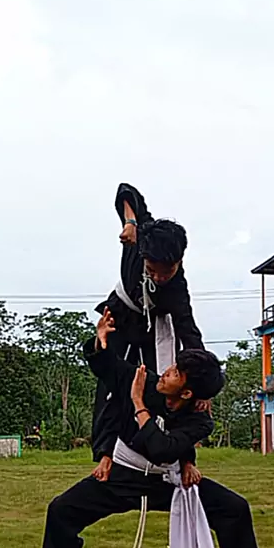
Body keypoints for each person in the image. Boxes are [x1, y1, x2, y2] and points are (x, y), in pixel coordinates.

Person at [38, 309, 274, 548]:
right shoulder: (145, 380)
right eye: (174, 366)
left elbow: (164, 449)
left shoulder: (200, 420)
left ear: (188, 393)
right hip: (123, 473)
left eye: (176, 373)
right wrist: (100, 342)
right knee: (62, 509)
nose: (167, 372)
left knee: (234, 508)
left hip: (168, 481)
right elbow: (109, 367)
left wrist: (139, 404)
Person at [92, 182, 206, 483]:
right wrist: (129, 222)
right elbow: (125, 190)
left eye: (167, 271)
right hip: (119, 318)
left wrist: (200, 385)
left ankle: (185, 460)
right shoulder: (140, 236)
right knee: (112, 383)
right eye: (152, 270)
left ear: (180, 261)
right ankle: (106, 454)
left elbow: (189, 333)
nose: (159, 277)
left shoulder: (177, 290)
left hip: (155, 330)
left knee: (172, 391)